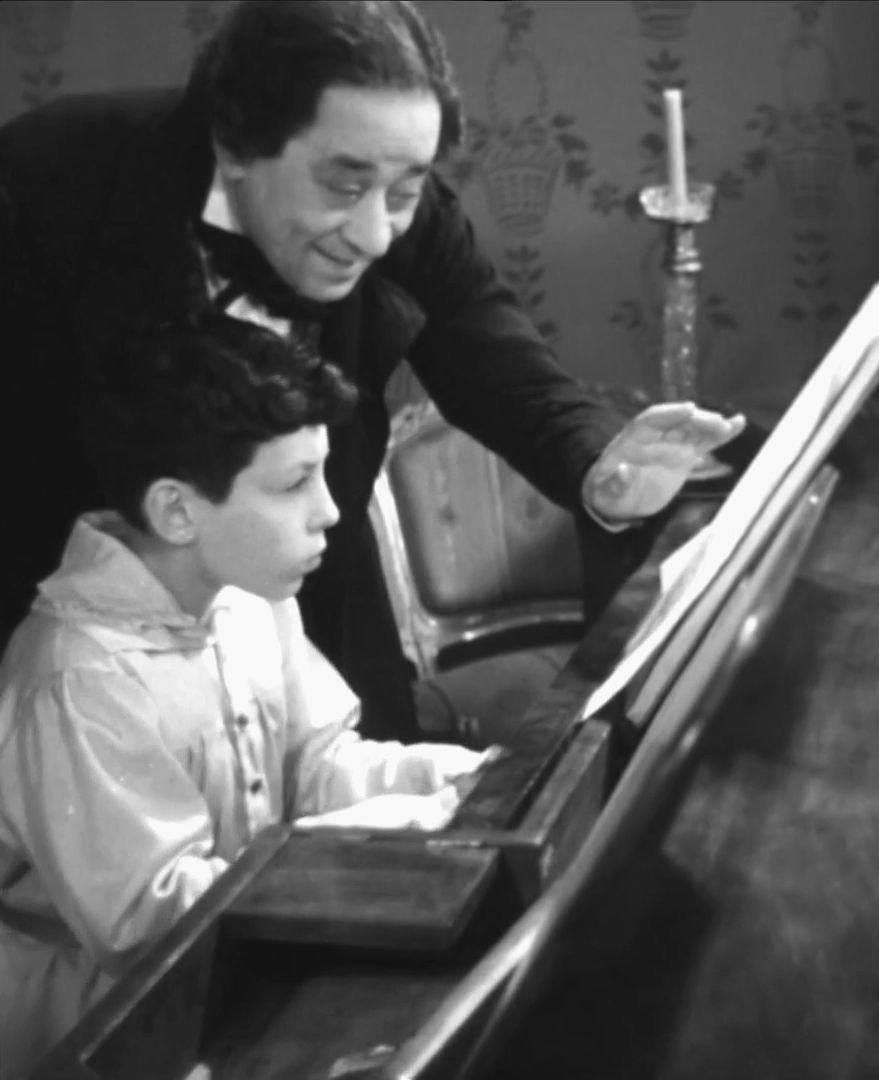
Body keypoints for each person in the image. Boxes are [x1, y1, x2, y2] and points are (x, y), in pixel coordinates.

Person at [0, 0, 745, 743]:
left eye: (406, 192)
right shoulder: (45, 182)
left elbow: (500, 361)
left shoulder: (399, 209)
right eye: (343, 186)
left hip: (327, 640)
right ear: (236, 143)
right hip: (80, 669)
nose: (376, 235)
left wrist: (600, 467)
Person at [0, 315, 503, 1079]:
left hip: (239, 981)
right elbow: (153, 930)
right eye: (294, 483)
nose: (329, 509)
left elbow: (316, 768)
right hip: (108, 1033)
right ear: (177, 511)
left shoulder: (247, 597)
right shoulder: (80, 674)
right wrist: (387, 831)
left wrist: (452, 778)